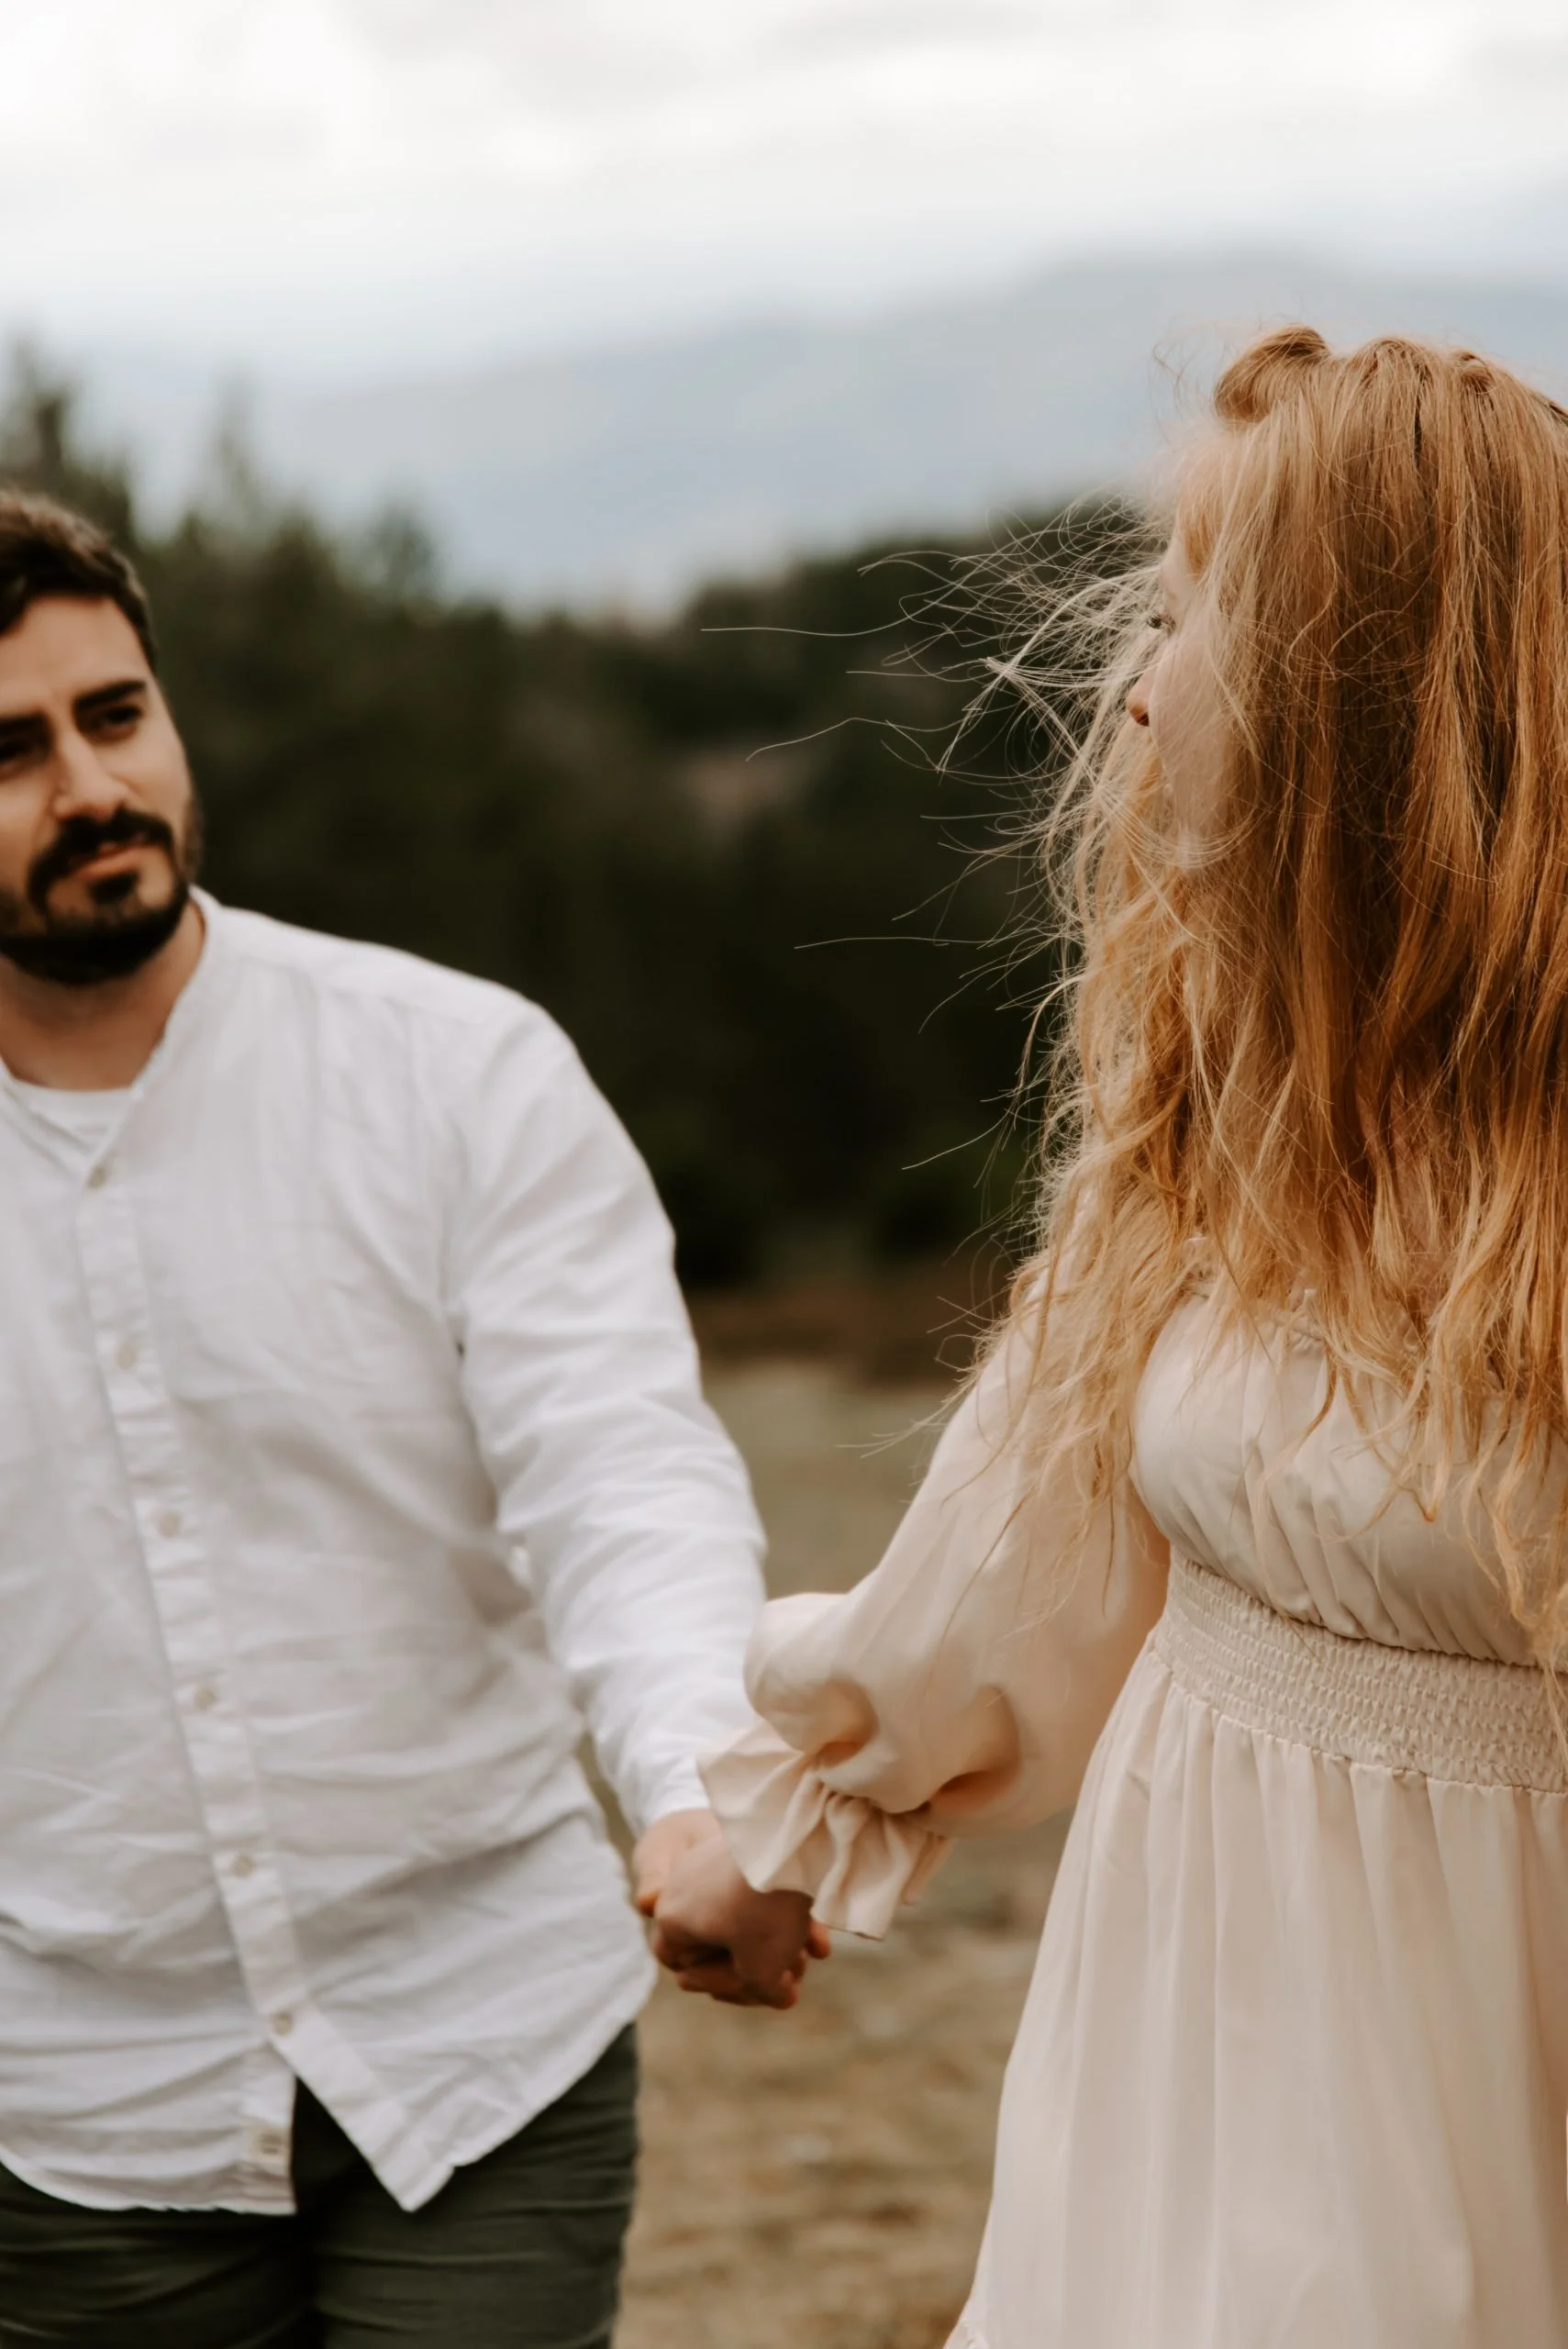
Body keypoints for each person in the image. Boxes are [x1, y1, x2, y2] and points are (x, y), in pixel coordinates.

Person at [651, 327, 1568, 2345]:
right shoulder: (1205, 1116)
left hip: (1497, 2055)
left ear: (1368, 701)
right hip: (1198, 2021)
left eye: (1200, 614)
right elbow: (1017, 1542)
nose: (1137, 686)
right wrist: (801, 1820)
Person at [0, 488, 822, 2348]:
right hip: (61, 2119)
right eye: (11, 749)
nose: (87, 787)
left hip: (480, 2041)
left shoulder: (455, 1072)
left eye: (113, 715)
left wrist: (705, 1793)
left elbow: (614, 1469)